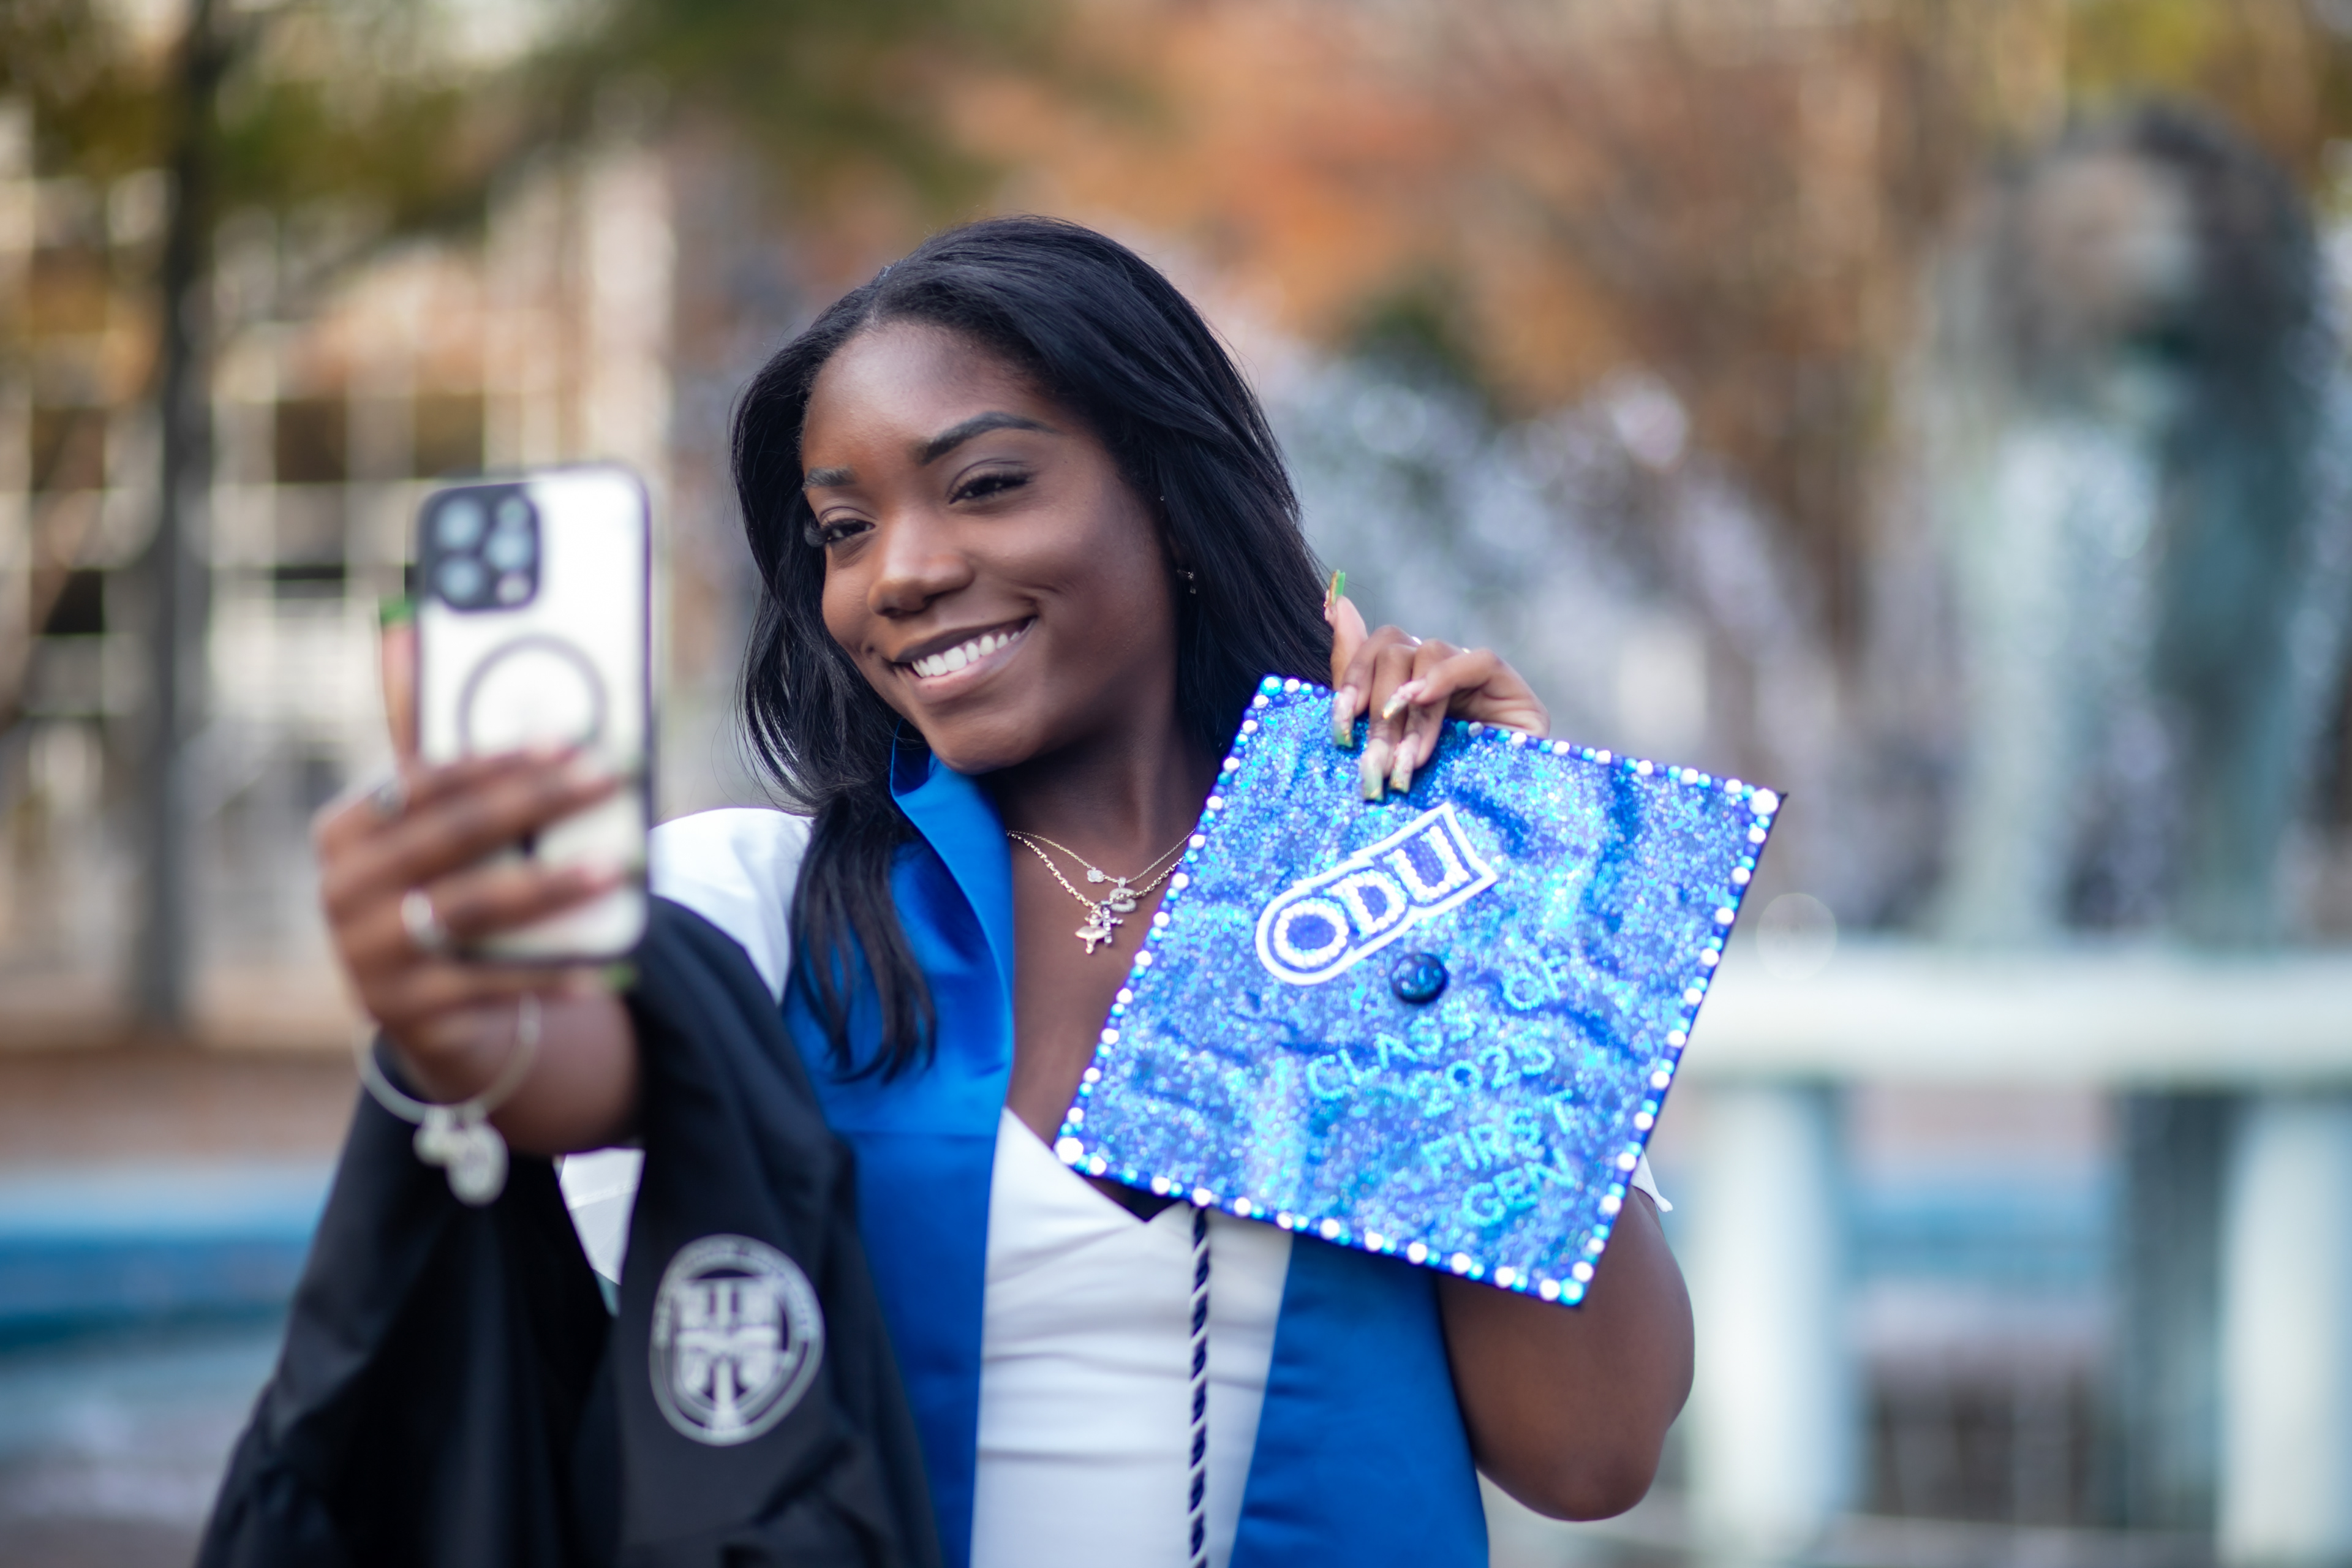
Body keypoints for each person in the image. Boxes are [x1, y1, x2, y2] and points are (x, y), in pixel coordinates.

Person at [309, 216, 1693, 1568]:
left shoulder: (1378, 905)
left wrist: (1498, 898)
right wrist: (467, 1004)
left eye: (984, 487)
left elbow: (1589, 1452)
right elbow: (574, 1060)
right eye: (844, 529)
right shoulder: (766, 906)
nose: (900, 572)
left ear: (1172, 493)